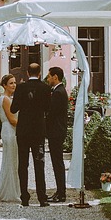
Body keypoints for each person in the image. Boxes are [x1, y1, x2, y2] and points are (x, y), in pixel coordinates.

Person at [11, 62, 51, 207]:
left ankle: (25, 197)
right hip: (38, 130)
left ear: (28, 73)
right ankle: (42, 197)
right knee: (39, 163)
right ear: (39, 73)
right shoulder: (45, 88)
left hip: (23, 130)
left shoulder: (21, 87)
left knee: (23, 164)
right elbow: (48, 108)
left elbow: (13, 108)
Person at [0, 74, 21, 202]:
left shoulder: (6, 98)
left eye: (14, 82)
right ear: (4, 86)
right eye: (11, 83)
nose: (14, 85)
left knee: (12, 160)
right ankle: (9, 191)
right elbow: (12, 120)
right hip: (10, 130)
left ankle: (12, 188)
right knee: (11, 160)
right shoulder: (6, 99)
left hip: (9, 130)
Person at [45, 66, 68, 203]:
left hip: (56, 131)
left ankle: (61, 193)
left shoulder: (58, 92)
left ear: (55, 77)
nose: (48, 79)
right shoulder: (58, 91)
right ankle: (59, 191)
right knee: (56, 162)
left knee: (57, 162)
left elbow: (51, 112)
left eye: (49, 76)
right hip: (57, 130)